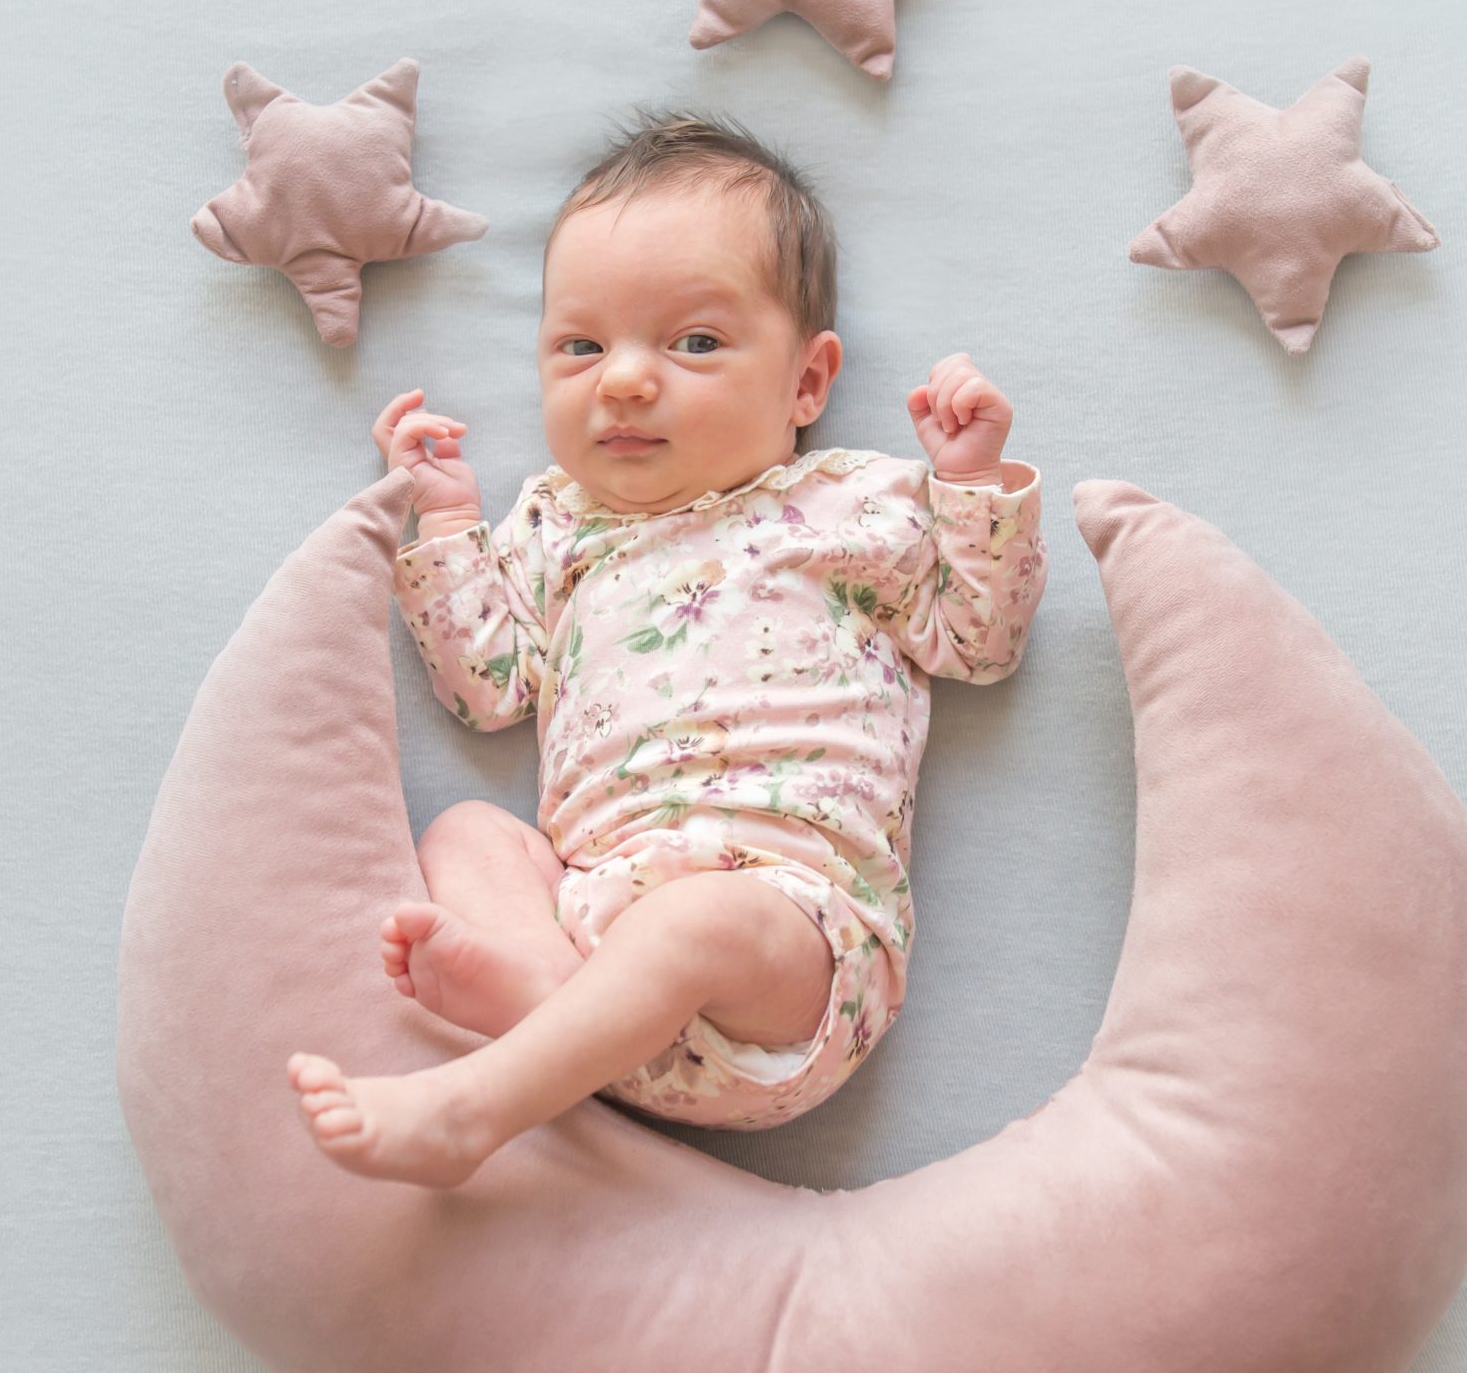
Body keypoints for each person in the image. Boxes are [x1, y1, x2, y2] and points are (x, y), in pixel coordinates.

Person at [289, 111, 1048, 1186]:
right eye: (581, 347)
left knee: (698, 924)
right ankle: (549, 1003)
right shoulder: (555, 527)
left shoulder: (859, 502)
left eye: (693, 343)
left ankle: (476, 1105)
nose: (625, 381)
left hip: (791, 941)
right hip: (590, 924)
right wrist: (449, 518)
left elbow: (979, 637)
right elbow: (486, 690)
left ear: (807, 383)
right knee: (467, 834)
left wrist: (970, 482)